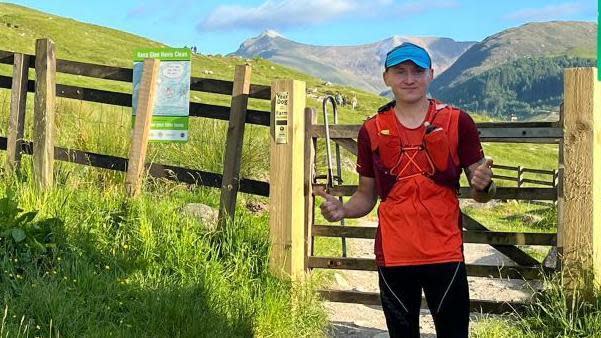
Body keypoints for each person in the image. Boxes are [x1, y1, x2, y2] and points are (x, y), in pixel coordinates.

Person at [316, 42, 496, 338]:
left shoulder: (457, 121)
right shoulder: (371, 129)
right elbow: (366, 194)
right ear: (386, 77)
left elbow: (482, 192)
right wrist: (343, 209)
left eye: (417, 71)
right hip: (394, 254)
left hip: (445, 252)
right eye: (400, 71)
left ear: (431, 75)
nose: (409, 78)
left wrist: (485, 185)